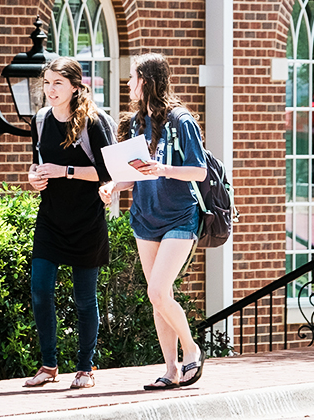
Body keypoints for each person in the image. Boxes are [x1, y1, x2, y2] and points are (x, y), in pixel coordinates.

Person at [99, 53, 207, 391]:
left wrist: (164, 170)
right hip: (145, 217)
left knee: (157, 290)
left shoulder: (182, 120)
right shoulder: (135, 123)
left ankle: (191, 350)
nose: (128, 84)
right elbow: (133, 174)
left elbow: (199, 171)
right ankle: (171, 369)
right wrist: (114, 185)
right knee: (159, 297)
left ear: (148, 81)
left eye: (132, 78)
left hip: (178, 215)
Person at [21, 57, 115, 390]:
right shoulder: (41, 120)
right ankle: (48, 365)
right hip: (51, 219)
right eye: (46, 83)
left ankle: (85, 369)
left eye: (58, 83)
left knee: (84, 299)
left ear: (75, 86)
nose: (50, 90)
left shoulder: (91, 122)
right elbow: (38, 164)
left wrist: (65, 171)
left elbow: (108, 171)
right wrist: (35, 178)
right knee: (40, 290)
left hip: (86, 220)